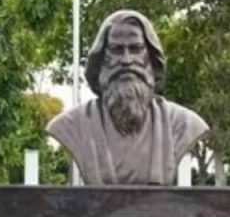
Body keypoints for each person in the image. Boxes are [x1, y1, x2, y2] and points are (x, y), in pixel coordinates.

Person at [47, 10, 209, 185]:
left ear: (152, 58)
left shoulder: (182, 124)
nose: (126, 60)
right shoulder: (72, 125)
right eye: (116, 50)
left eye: (136, 48)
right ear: (101, 60)